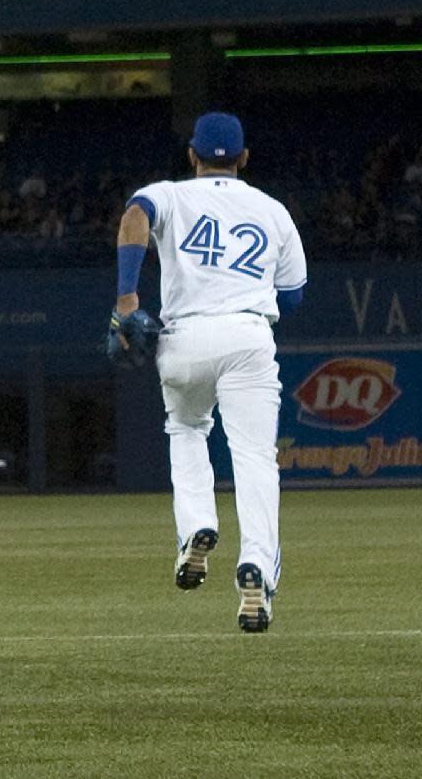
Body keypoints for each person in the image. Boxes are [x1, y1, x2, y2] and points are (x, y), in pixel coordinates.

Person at [111, 113, 307, 633]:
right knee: (254, 459)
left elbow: (135, 215)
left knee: (187, 429)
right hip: (246, 335)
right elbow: (295, 294)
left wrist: (128, 299)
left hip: (186, 338)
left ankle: (196, 526)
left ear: (192, 155)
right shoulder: (272, 210)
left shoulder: (170, 194)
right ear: (244, 158)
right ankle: (257, 567)